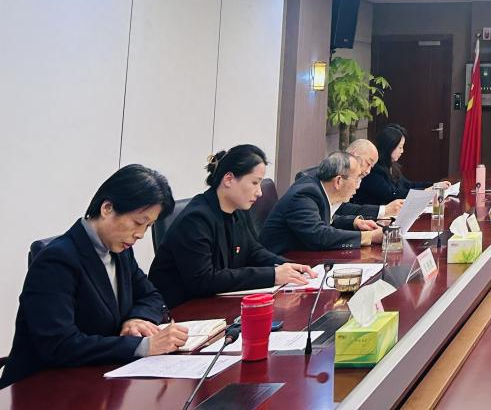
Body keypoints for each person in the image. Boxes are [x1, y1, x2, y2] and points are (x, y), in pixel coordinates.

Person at [1, 165, 188, 388]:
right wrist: (143, 346)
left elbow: (151, 296)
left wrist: (137, 319)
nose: (140, 234)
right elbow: (60, 345)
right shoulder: (56, 260)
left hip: (96, 379)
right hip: (40, 388)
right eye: (139, 222)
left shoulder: (121, 251)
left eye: (148, 226)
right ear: (107, 208)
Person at [149, 146, 316, 307]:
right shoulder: (196, 219)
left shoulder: (237, 210)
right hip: (181, 311)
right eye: (254, 183)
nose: (259, 192)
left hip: (214, 303)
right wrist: (272, 275)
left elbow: (252, 251)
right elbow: (204, 280)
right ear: (228, 179)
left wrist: (286, 266)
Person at [259, 152, 384, 254]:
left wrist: (355, 223)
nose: (358, 186)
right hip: (280, 262)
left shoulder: (317, 187)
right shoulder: (304, 195)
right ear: (338, 181)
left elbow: (323, 220)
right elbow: (318, 235)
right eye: (357, 179)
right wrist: (370, 237)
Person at [352, 125, 451, 208]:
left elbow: (408, 185)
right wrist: (424, 192)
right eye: (400, 147)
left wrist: (434, 185)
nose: (402, 151)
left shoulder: (392, 166)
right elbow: (392, 194)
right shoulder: (373, 169)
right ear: (389, 146)